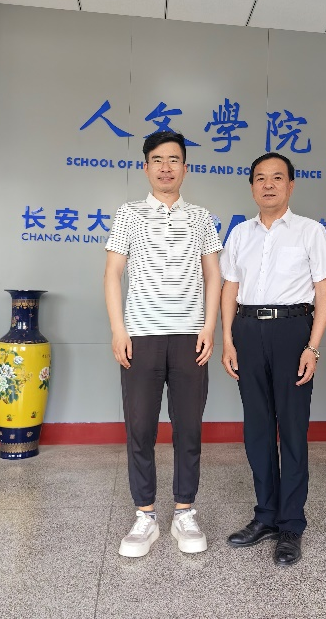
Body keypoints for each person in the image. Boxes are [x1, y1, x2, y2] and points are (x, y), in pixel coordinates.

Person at [104, 130, 222, 558]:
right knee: (140, 428)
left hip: (190, 337)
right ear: (146, 167)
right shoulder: (129, 214)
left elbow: (213, 275)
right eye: (157, 160)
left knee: (188, 427)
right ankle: (146, 516)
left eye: (174, 160)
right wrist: (119, 330)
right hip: (141, 337)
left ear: (185, 167)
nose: (166, 167)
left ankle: (184, 512)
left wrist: (209, 327)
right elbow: (112, 273)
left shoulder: (202, 217)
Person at [220, 152, 326, 566]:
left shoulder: (310, 231)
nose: (268, 185)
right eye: (260, 178)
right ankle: (266, 516)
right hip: (247, 330)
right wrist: (228, 340)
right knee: (256, 429)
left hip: (293, 332)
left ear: (291, 185)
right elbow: (229, 288)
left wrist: (313, 346)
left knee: (291, 429)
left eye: (276, 178)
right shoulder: (239, 234)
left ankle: (291, 524)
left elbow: (324, 292)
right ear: (252, 186)